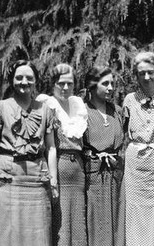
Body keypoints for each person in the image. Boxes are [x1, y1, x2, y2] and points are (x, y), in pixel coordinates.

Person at [0, 60, 58, 246]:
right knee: (8, 235)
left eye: (29, 78)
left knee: (40, 236)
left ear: (35, 81)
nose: (24, 82)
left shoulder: (46, 110)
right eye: (19, 77)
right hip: (9, 178)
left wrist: (54, 181)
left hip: (37, 180)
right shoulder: (0, 107)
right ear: (11, 80)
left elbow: (51, 148)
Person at [122, 52, 154, 245]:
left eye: (150, 72)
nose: (146, 77)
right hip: (135, 164)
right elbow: (122, 131)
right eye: (141, 73)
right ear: (136, 75)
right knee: (135, 209)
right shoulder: (129, 99)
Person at [37, 64, 88, 246]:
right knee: (61, 222)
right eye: (61, 83)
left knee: (78, 220)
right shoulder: (47, 105)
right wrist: (52, 178)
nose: (65, 88)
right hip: (58, 167)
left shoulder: (78, 104)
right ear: (53, 84)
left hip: (79, 170)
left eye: (70, 83)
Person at [83, 66, 124, 246]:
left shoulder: (118, 111)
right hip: (92, 177)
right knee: (95, 222)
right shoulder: (81, 112)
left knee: (117, 222)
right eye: (105, 83)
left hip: (115, 177)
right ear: (92, 85)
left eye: (112, 84)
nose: (110, 88)